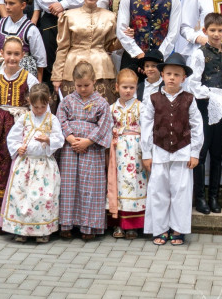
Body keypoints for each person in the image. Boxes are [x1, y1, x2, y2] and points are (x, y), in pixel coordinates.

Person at [140, 53, 203, 246]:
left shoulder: (190, 100)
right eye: (168, 74)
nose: (172, 78)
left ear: (183, 78)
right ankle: (160, 229)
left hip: (182, 152)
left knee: (181, 192)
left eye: (177, 74)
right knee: (159, 192)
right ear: (162, 76)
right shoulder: (152, 99)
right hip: (159, 152)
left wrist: (194, 152)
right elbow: (146, 126)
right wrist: (147, 153)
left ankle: (178, 229)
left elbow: (197, 125)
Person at [0, 37, 38, 230]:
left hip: (20, 124)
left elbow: (38, 103)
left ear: (23, 55)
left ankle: (15, 217)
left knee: (17, 168)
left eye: (16, 54)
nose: (12, 58)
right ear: (1, 54)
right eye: (8, 53)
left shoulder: (29, 78)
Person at [57, 62, 113, 240]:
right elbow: (61, 120)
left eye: (86, 85)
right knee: (69, 185)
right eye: (78, 85)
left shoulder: (101, 103)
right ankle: (66, 223)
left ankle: (88, 226)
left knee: (90, 186)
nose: (82, 89)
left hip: (91, 149)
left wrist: (88, 141)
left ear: (94, 81)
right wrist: (71, 138)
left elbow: (104, 126)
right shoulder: (67, 101)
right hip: (70, 148)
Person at [1, 84, 64, 242]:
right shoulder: (25, 118)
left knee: (43, 197)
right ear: (29, 102)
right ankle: (21, 229)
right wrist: (18, 148)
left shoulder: (52, 119)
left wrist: (48, 139)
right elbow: (12, 137)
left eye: (43, 107)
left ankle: (42, 231)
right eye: (36, 107)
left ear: (48, 102)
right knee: (21, 195)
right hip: (26, 164)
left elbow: (59, 139)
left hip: (44, 165)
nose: (39, 110)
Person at [185, 13, 222, 215]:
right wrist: (212, 95)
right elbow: (193, 83)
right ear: (205, 31)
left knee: (217, 152)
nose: (216, 34)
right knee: (202, 152)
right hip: (205, 107)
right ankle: (200, 197)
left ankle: (214, 196)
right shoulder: (199, 53)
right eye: (212, 30)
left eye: (219, 30)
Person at [52, 0, 119, 102]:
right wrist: (57, 76)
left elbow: (111, 46)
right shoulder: (69, 16)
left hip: (102, 68)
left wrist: (124, 37)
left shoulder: (110, 17)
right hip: (72, 68)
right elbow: (62, 47)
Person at [116, 0, 182, 74]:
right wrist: (140, 55)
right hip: (133, 58)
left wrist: (157, 58)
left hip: (161, 61)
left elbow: (173, 33)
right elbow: (121, 30)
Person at [107, 69, 147, 239]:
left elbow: (146, 130)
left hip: (136, 151)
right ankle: (118, 224)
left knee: (135, 185)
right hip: (118, 151)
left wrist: (146, 151)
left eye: (131, 87)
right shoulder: (111, 108)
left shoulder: (141, 107)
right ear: (117, 87)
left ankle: (134, 225)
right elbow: (107, 128)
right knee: (118, 184)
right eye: (124, 87)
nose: (128, 91)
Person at [0, 0, 46, 81]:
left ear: (23, 5)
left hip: (23, 73)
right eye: (6, 3)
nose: (7, 7)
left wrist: (38, 83)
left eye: (11, 3)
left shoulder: (31, 29)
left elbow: (40, 60)